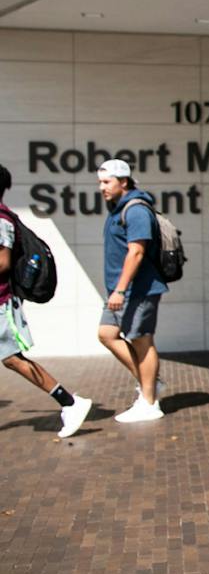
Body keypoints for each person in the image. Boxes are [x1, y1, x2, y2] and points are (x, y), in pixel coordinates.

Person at [0, 163, 91, 437]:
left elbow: (3, 263)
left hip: (2, 302)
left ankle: (70, 402)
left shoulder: (1, 219)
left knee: (12, 358)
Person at [96, 158, 168, 423]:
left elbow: (136, 252)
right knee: (107, 334)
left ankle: (150, 403)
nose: (102, 187)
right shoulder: (118, 209)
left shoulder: (136, 210)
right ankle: (150, 382)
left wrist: (120, 290)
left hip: (138, 290)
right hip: (122, 291)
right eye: (100, 182)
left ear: (123, 181)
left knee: (141, 340)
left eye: (107, 182)